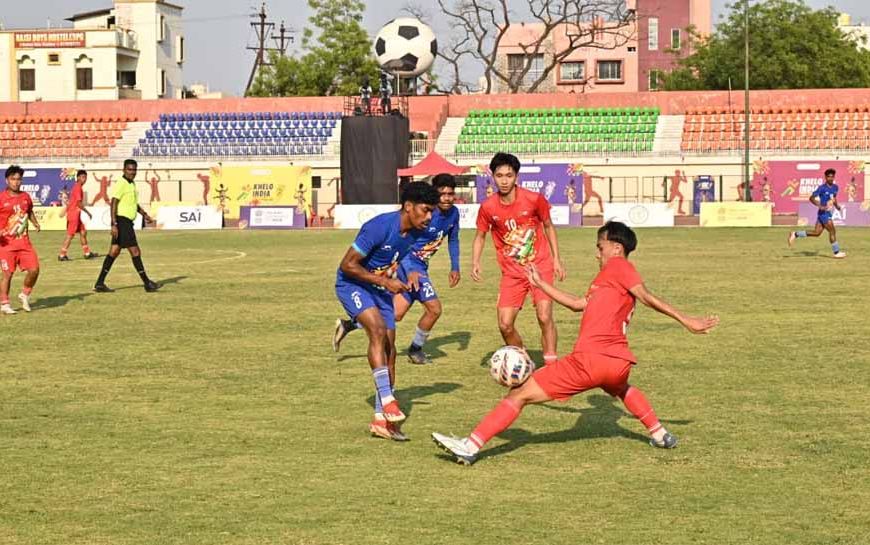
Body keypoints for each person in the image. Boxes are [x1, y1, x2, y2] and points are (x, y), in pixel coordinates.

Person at [432, 221, 720, 465]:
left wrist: (687, 320)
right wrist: (541, 284)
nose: (597, 252)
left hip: (591, 360)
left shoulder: (619, 267)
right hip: (617, 363)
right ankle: (660, 434)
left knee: (517, 395)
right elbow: (578, 304)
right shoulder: (606, 278)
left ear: (616, 248)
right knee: (621, 387)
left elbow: (646, 296)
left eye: (600, 246)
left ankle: (470, 446)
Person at [334, 181, 440, 441]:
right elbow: (347, 265)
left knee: (391, 350)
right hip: (352, 284)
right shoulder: (379, 226)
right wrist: (385, 281)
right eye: (425, 210)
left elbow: (407, 256)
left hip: (379, 289)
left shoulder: (416, 232)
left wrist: (413, 271)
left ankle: (382, 420)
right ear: (408, 206)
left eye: (431, 212)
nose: (429, 217)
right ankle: (389, 399)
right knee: (378, 331)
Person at [333, 174, 461, 365]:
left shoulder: (453, 214)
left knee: (395, 315)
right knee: (434, 308)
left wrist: (455, 266)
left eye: (451, 194)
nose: (447, 198)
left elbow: (453, 239)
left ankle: (350, 324)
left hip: (417, 267)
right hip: (410, 266)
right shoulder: (425, 216)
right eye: (442, 194)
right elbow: (403, 244)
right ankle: (415, 350)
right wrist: (409, 270)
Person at [472, 152, 566, 366]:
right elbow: (480, 236)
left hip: (540, 267)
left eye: (509, 175)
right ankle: (523, 362)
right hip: (512, 273)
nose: (504, 180)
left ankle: (551, 366)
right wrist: (475, 261)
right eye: (499, 175)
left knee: (544, 316)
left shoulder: (534, 200)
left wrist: (557, 260)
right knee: (505, 325)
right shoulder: (488, 207)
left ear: (516, 177)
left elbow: (549, 226)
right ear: (492, 177)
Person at [93, 159, 160, 293]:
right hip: (122, 222)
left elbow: (133, 204)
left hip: (126, 222)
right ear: (124, 170)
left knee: (114, 252)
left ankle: (99, 283)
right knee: (135, 252)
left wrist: (144, 214)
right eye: (129, 170)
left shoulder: (132, 184)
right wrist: (114, 224)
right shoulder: (122, 183)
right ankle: (147, 283)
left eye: (134, 170)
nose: (132, 172)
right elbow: (113, 202)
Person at [0, 165, 42, 314]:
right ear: (7, 180)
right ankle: (4, 304)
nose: (16, 182)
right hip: (6, 245)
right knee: (7, 274)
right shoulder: (1, 198)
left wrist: (35, 222)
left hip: (24, 243)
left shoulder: (25, 197)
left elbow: (29, 211)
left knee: (35, 270)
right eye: (13, 179)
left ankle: (24, 294)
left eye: (19, 179)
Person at [788, 168, 846, 258]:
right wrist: (820, 206)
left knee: (816, 233)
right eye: (829, 177)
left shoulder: (835, 187)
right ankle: (836, 252)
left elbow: (833, 198)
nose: (831, 178)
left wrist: (837, 206)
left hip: (827, 213)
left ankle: (795, 234)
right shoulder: (822, 188)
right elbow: (811, 198)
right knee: (832, 231)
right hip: (824, 213)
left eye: (832, 177)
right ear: (825, 177)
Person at [58, 169, 99, 262]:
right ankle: (62, 255)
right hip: (73, 214)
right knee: (70, 235)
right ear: (78, 178)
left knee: (83, 232)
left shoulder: (78, 187)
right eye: (83, 177)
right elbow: (79, 203)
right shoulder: (78, 187)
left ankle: (87, 253)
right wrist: (88, 212)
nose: (85, 179)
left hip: (76, 214)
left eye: (85, 177)